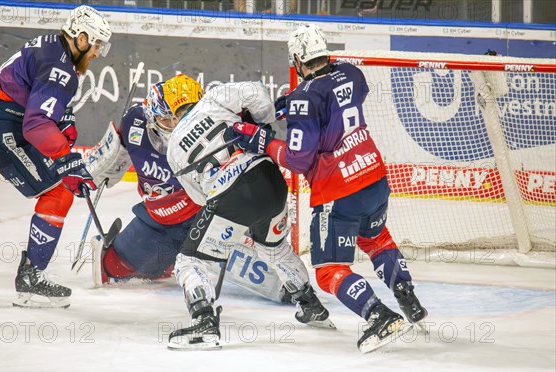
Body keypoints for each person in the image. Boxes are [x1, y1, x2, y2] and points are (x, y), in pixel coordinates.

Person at [241, 23, 428, 353]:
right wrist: (291, 104)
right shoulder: (352, 74)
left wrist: (262, 140)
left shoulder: (305, 97)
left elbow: (298, 160)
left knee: (329, 271)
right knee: (376, 238)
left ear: (297, 59)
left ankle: (379, 316)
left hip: (339, 191)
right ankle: (407, 296)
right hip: (374, 175)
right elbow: (333, 92)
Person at [86, 74, 292, 304]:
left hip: (208, 216)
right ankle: (169, 261)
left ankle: (294, 286)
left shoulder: (218, 116)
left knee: (281, 288)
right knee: (112, 268)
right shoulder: (136, 120)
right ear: (153, 118)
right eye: (166, 120)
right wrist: (95, 171)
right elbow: (117, 150)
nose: (175, 126)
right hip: (157, 220)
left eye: (180, 116)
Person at [0, 5, 112, 308]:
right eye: (96, 45)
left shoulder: (50, 46)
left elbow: (42, 103)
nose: (97, 53)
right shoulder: (62, 70)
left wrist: (64, 129)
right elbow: (36, 124)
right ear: (81, 39)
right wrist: (67, 161)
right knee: (59, 191)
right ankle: (31, 279)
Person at [165, 76, 334, 351]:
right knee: (275, 249)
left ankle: (205, 323)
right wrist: (263, 123)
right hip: (271, 180)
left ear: (173, 114)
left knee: (189, 261)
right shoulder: (215, 97)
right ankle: (309, 304)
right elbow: (256, 93)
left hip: (231, 196)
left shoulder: (173, 148)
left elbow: (199, 197)